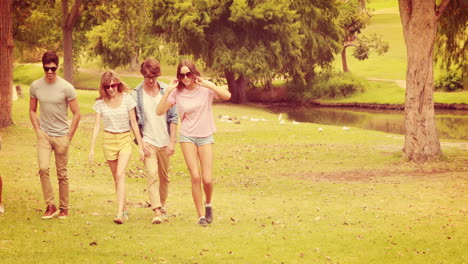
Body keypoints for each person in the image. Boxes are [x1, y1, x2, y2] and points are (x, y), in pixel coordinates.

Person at [156, 60, 231, 226]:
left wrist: (209, 84)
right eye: (181, 75)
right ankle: (201, 216)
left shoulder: (205, 90)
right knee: (195, 177)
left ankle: (208, 204)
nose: (185, 78)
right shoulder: (177, 93)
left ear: (193, 73)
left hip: (205, 136)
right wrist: (168, 91)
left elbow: (227, 96)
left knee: (207, 179)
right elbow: (159, 111)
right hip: (187, 136)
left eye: (188, 74)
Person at [29, 50, 81, 220]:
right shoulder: (36, 86)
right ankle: (50, 205)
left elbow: (77, 114)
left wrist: (69, 136)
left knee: (62, 174)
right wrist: (38, 130)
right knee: (43, 168)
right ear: (43, 67)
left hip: (61, 136)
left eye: (53, 68)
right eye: (46, 69)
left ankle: (64, 207)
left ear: (57, 67)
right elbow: (31, 110)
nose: (50, 72)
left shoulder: (66, 87)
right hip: (44, 134)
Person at [89, 70, 144, 224]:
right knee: (117, 178)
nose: (111, 89)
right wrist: (92, 147)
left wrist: (140, 145)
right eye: (108, 86)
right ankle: (124, 208)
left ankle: (119, 213)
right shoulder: (100, 103)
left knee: (120, 174)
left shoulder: (127, 99)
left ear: (118, 84)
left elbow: (134, 123)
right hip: (108, 140)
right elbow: (97, 125)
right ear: (104, 87)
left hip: (124, 139)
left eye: (114, 85)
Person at [130, 58, 178, 224]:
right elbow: (134, 121)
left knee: (164, 177)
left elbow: (173, 117)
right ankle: (156, 210)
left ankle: (162, 205)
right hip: (148, 141)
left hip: (164, 141)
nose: (150, 80)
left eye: (154, 77)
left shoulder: (166, 90)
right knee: (152, 174)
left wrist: (172, 142)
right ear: (143, 74)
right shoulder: (136, 94)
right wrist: (141, 143)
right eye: (147, 76)